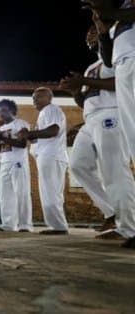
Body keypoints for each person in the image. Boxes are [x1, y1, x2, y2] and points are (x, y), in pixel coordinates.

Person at [60, 23, 135, 245]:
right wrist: (76, 91)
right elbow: (86, 101)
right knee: (77, 165)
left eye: (95, 31)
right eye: (87, 34)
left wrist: (83, 82)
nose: (90, 35)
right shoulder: (91, 67)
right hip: (90, 119)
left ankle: (129, 227)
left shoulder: (116, 60)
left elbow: (119, 83)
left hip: (112, 115)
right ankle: (112, 213)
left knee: (114, 170)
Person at [85, 0, 135, 248]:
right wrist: (102, 26)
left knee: (117, 165)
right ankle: (128, 225)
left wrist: (107, 11)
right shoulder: (117, 23)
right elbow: (107, 58)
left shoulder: (125, 11)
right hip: (125, 65)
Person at [18, 87, 70, 235]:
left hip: (51, 156)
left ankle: (57, 226)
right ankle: (58, 224)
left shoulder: (51, 109)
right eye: (34, 98)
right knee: (52, 191)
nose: (35, 100)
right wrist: (30, 136)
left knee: (50, 191)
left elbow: (54, 131)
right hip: (50, 156)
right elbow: (43, 134)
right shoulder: (45, 113)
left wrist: (30, 133)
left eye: (39, 97)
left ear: (49, 98)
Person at [0, 99, 33, 232]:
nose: (2, 114)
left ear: (12, 110)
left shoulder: (21, 124)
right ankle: (8, 224)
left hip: (18, 162)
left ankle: (24, 225)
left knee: (22, 193)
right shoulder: (0, 129)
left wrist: (2, 139)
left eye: (4, 110)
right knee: (5, 194)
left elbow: (22, 144)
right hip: (4, 162)